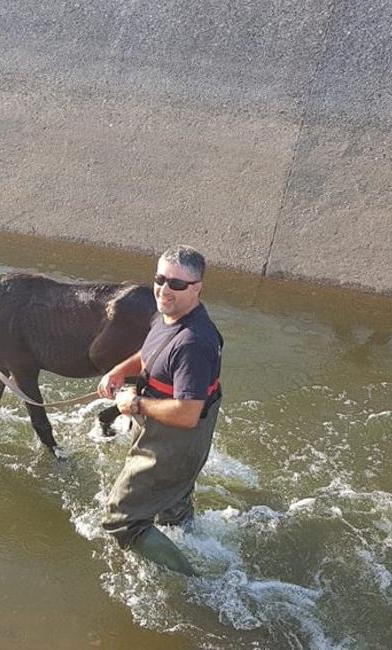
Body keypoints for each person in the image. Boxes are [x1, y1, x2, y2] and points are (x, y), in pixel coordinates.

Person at [96, 245, 223, 576]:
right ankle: (188, 538)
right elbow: (152, 351)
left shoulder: (193, 343)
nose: (165, 289)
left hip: (174, 443)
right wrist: (120, 371)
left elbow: (187, 413)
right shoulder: (169, 316)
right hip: (177, 441)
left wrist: (134, 404)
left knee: (120, 519)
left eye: (177, 284)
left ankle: (196, 584)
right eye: (160, 279)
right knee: (172, 507)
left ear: (197, 288)